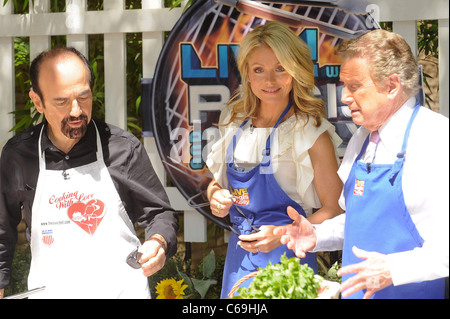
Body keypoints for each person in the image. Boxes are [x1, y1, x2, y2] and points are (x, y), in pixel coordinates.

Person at [275, 29, 449, 299]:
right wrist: (316, 235)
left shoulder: (434, 138)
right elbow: (357, 222)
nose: (344, 97)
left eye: (354, 86)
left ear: (391, 86)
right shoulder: (362, 139)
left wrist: (393, 269)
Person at [0, 47, 179, 299]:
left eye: (83, 97)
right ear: (37, 101)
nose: (76, 111)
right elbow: (2, 230)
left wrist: (158, 242)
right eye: (62, 101)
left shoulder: (121, 148)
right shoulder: (19, 156)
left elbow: (161, 213)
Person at [205, 21, 344, 298]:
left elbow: (335, 210)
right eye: (259, 70)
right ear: (246, 73)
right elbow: (215, 183)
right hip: (239, 259)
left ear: (296, 71)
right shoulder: (234, 121)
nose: (269, 81)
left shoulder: (311, 132)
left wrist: (282, 234)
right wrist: (215, 196)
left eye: (280, 69)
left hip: (289, 259)